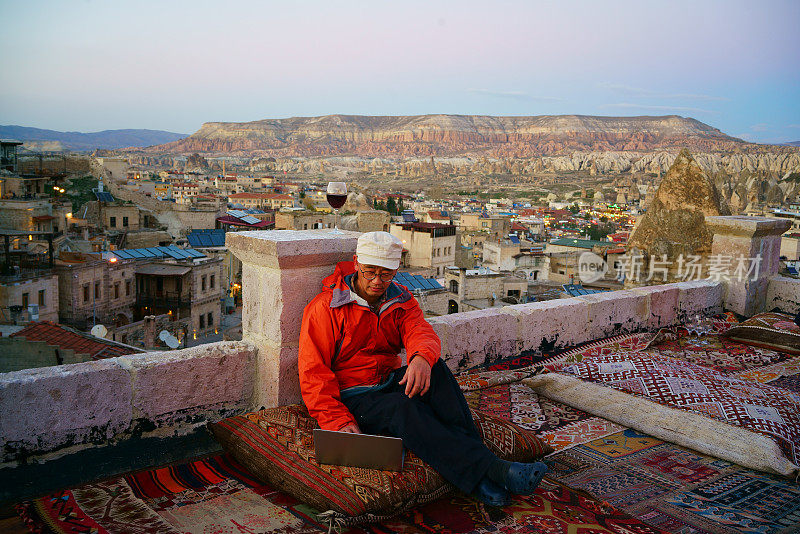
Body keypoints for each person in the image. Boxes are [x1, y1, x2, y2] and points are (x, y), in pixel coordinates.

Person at [298, 231, 546, 506]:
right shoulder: (325, 308)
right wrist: (338, 422)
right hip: (355, 394)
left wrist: (421, 358)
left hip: (387, 380)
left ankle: (478, 470)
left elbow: (420, 331)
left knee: (436, 370)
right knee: (402, 409)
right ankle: (492, 472)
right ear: (356, 263)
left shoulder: (400, 300)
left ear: (396, 270)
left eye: (386, 274)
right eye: (369, 273)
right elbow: (313, 374)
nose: (377, 282)